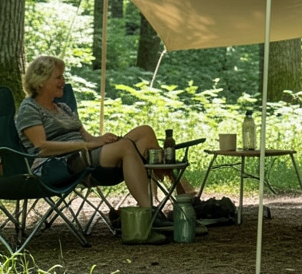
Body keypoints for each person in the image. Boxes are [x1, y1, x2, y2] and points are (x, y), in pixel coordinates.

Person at [14, 55, 195, 209]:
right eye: (58, 77)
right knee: (125, 147)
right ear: (41, 82)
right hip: (57, 165)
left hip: (84, 155)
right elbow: (41, 148)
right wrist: (86, 145)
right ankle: (151, 211)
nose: (63, 82)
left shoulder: (62, 108)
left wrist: (102, 139)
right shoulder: (29, 108)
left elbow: (88, 138)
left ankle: (168, 195)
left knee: (145, 132)